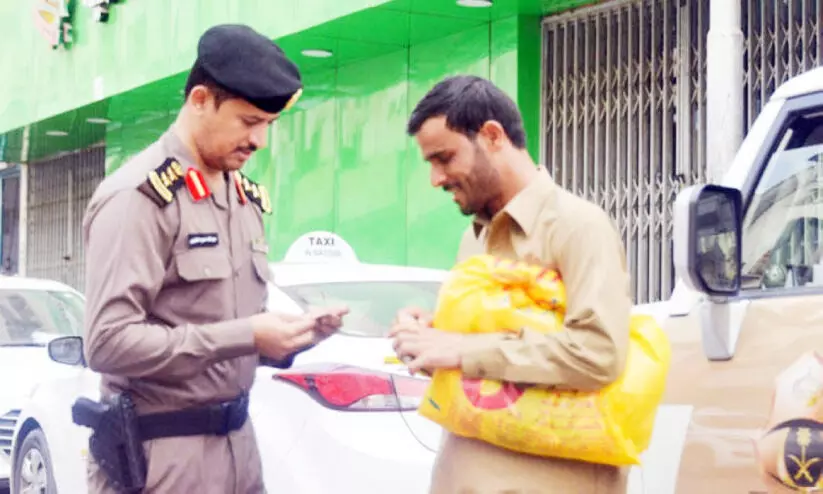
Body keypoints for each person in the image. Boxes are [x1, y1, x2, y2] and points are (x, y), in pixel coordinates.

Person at [81, 24, 348, 493]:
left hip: (238, 447)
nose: (260, 140)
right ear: (200, 100)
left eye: (269, 125)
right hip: (162, 456)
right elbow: (107, 343)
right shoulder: (138, 197)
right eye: (248, 122)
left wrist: (287, 338)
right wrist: (246, 334)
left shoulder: (240, 197)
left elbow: (219, 334)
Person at [390, 75, 633, 493]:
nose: (436, 178)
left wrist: (462, 349)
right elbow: (483, 354)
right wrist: (429, 338)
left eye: (444, 158)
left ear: (492, 136)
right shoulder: (475, 236)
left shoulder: (577, 225)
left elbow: (599, 353)